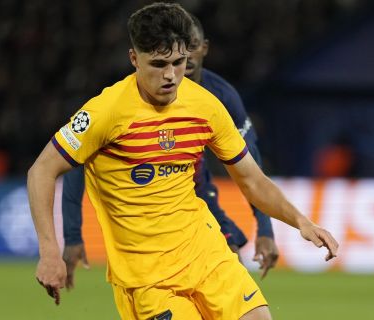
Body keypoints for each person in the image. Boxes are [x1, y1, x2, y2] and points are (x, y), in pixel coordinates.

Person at [28, 3, 338, 319]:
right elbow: (41, 170)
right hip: (147, 277)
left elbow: (252, 180)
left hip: (205, 253)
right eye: (158, 64)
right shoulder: (105, 112)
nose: (170, 75)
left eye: (178, 62)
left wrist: (302, 222)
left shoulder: (205, 106)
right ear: (134, 59)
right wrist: (49, 250)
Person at [61, 13, 279, 289]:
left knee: (230, 274)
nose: (181, 58)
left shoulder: (219, 97)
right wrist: (72, 234)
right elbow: (71, 161)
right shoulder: (127, 97)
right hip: (145, 217)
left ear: (203, 48)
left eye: (190, 47)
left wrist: (265, 228)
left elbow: (251, 169)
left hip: (198, 201)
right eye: (169, 54)